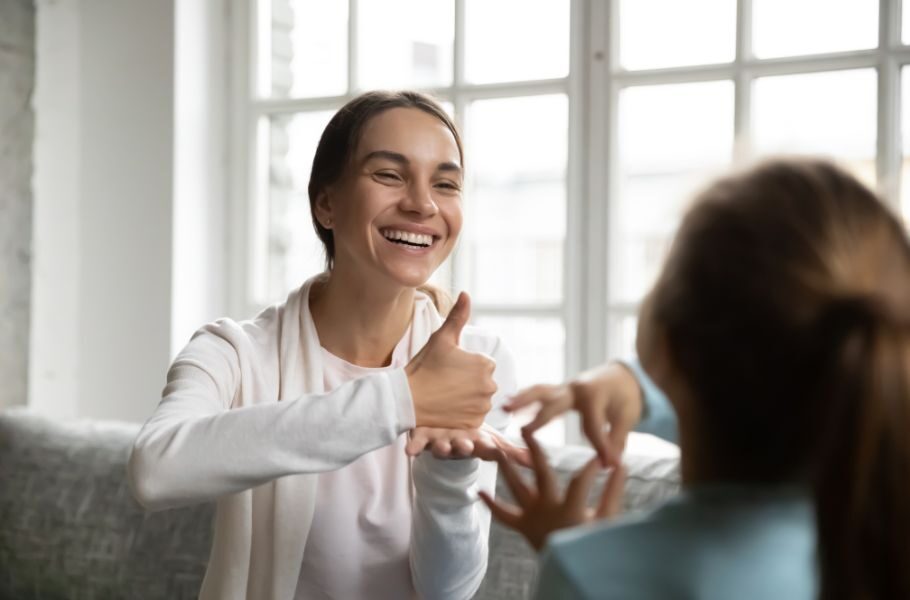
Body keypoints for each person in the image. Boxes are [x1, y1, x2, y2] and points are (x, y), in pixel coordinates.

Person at [127, 90, 533, 600]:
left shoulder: (474, 362)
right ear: (326, 202)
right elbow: (155, 469)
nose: (422, 203)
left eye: (445, 183)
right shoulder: (232, 353)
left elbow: (447, 589)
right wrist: (400, 399)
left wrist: (448, 478)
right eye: (388, 174)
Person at [483, 158, 910, 599]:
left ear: (665, 344)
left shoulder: (589, 572)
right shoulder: (881, 547)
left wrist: (569, 548)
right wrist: (639, 387)